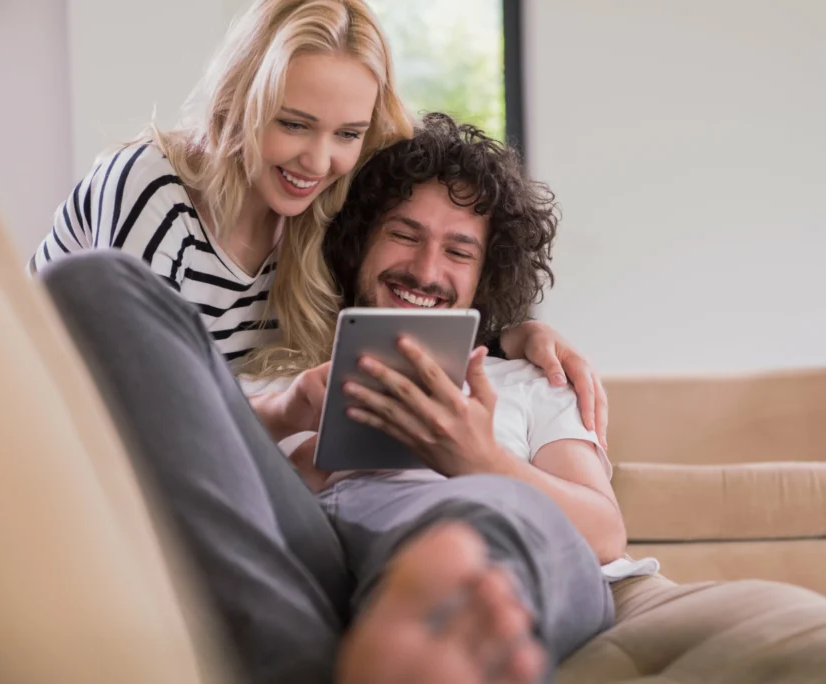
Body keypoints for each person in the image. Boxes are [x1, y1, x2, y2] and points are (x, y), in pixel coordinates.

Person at [37, 114, 619, 682]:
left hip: (480, 539)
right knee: (92, 279)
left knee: (484, 525)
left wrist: (481, 461)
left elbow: (602, 531)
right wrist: (288, 430)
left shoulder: (526, 377)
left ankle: (433, 612)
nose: (424, 269)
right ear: (359, 241)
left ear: (486, 276)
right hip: (307, 555)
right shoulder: (276, 366)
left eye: (459, 252)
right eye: (403, 235)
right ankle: (411, 628)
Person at [29, 0, 610, 447]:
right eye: (294, 124)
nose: (317, 161)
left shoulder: (318, 212)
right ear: (240, 100)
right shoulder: (152, 188)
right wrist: (282, 419)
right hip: (63, 439)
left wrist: (510, 335)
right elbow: (139, 417)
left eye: (348, 135)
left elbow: (405, 299)